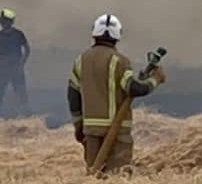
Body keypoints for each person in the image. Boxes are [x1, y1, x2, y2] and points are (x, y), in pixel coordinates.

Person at [67, 13, 164, 174]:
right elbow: (134, 89)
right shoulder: (119, 61)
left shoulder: (80, 60)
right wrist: (155, 80)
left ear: (94, 33)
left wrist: (79, 126)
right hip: (117, 132)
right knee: (117, 180)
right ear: (117, 36)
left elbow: (73, 97)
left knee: (94, 178)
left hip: (91, 132)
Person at [0, 8, 30, 113]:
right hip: (4, 65)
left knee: (19, 90)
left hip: (13, 65)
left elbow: (27, 49)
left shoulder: (18, 34)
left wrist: (21, 63)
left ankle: (24, 113)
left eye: (4, 21)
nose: (2, 23)